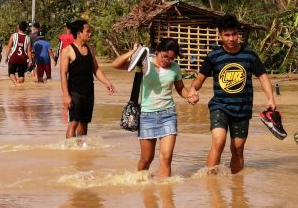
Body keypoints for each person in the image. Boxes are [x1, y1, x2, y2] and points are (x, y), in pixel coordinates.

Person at [188, 14, 276, 174]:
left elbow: (262, 77)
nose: (231, 38)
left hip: (242, 109)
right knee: (218, 142)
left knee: (238, 149)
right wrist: (193, 90)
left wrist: (270, 98)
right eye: (227, 35)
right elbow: (199, 80)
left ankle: (237, 188)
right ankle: (211, 183)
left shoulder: (249, 55)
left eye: (234, 34)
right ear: (220, 35)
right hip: (219, 106)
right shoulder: (213, 56)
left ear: (238, 34)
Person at [112, 38, 194, 179]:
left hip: (168, 114)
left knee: (166, 157)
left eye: (171, 58)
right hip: (147, 116)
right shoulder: (144, 63)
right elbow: (116, 65)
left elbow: (180, 88)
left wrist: (189, 96)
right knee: (146, 159)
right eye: (165, 56)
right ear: (157, 52)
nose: (167, 60)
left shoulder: (175, 68)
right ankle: (143, 186)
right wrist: (134, 52)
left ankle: (165, 193)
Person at [60, 19, 114, 139]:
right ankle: (71, 151)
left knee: (84, 124)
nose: (90, 34)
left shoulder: (90, 49)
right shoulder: (67, 51)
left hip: (89, 92)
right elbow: (63, 74)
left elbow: (96, 69)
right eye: (87, 31)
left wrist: (107, 82)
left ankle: (81, 152)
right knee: (73, 123)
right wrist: (66, 95)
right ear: (79, 33)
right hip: (74, 92)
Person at [5, 21, 33, 85]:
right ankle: (19, 85)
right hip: (23, 59)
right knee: (21, 76)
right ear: (25, 29)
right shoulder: (28, 38)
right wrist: (30, 60)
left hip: (14, 57)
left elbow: (9, 47)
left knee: (11, 73)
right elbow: (29, 51)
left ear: (19, 28)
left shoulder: (13, 35)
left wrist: (6, 56)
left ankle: (16, 84)